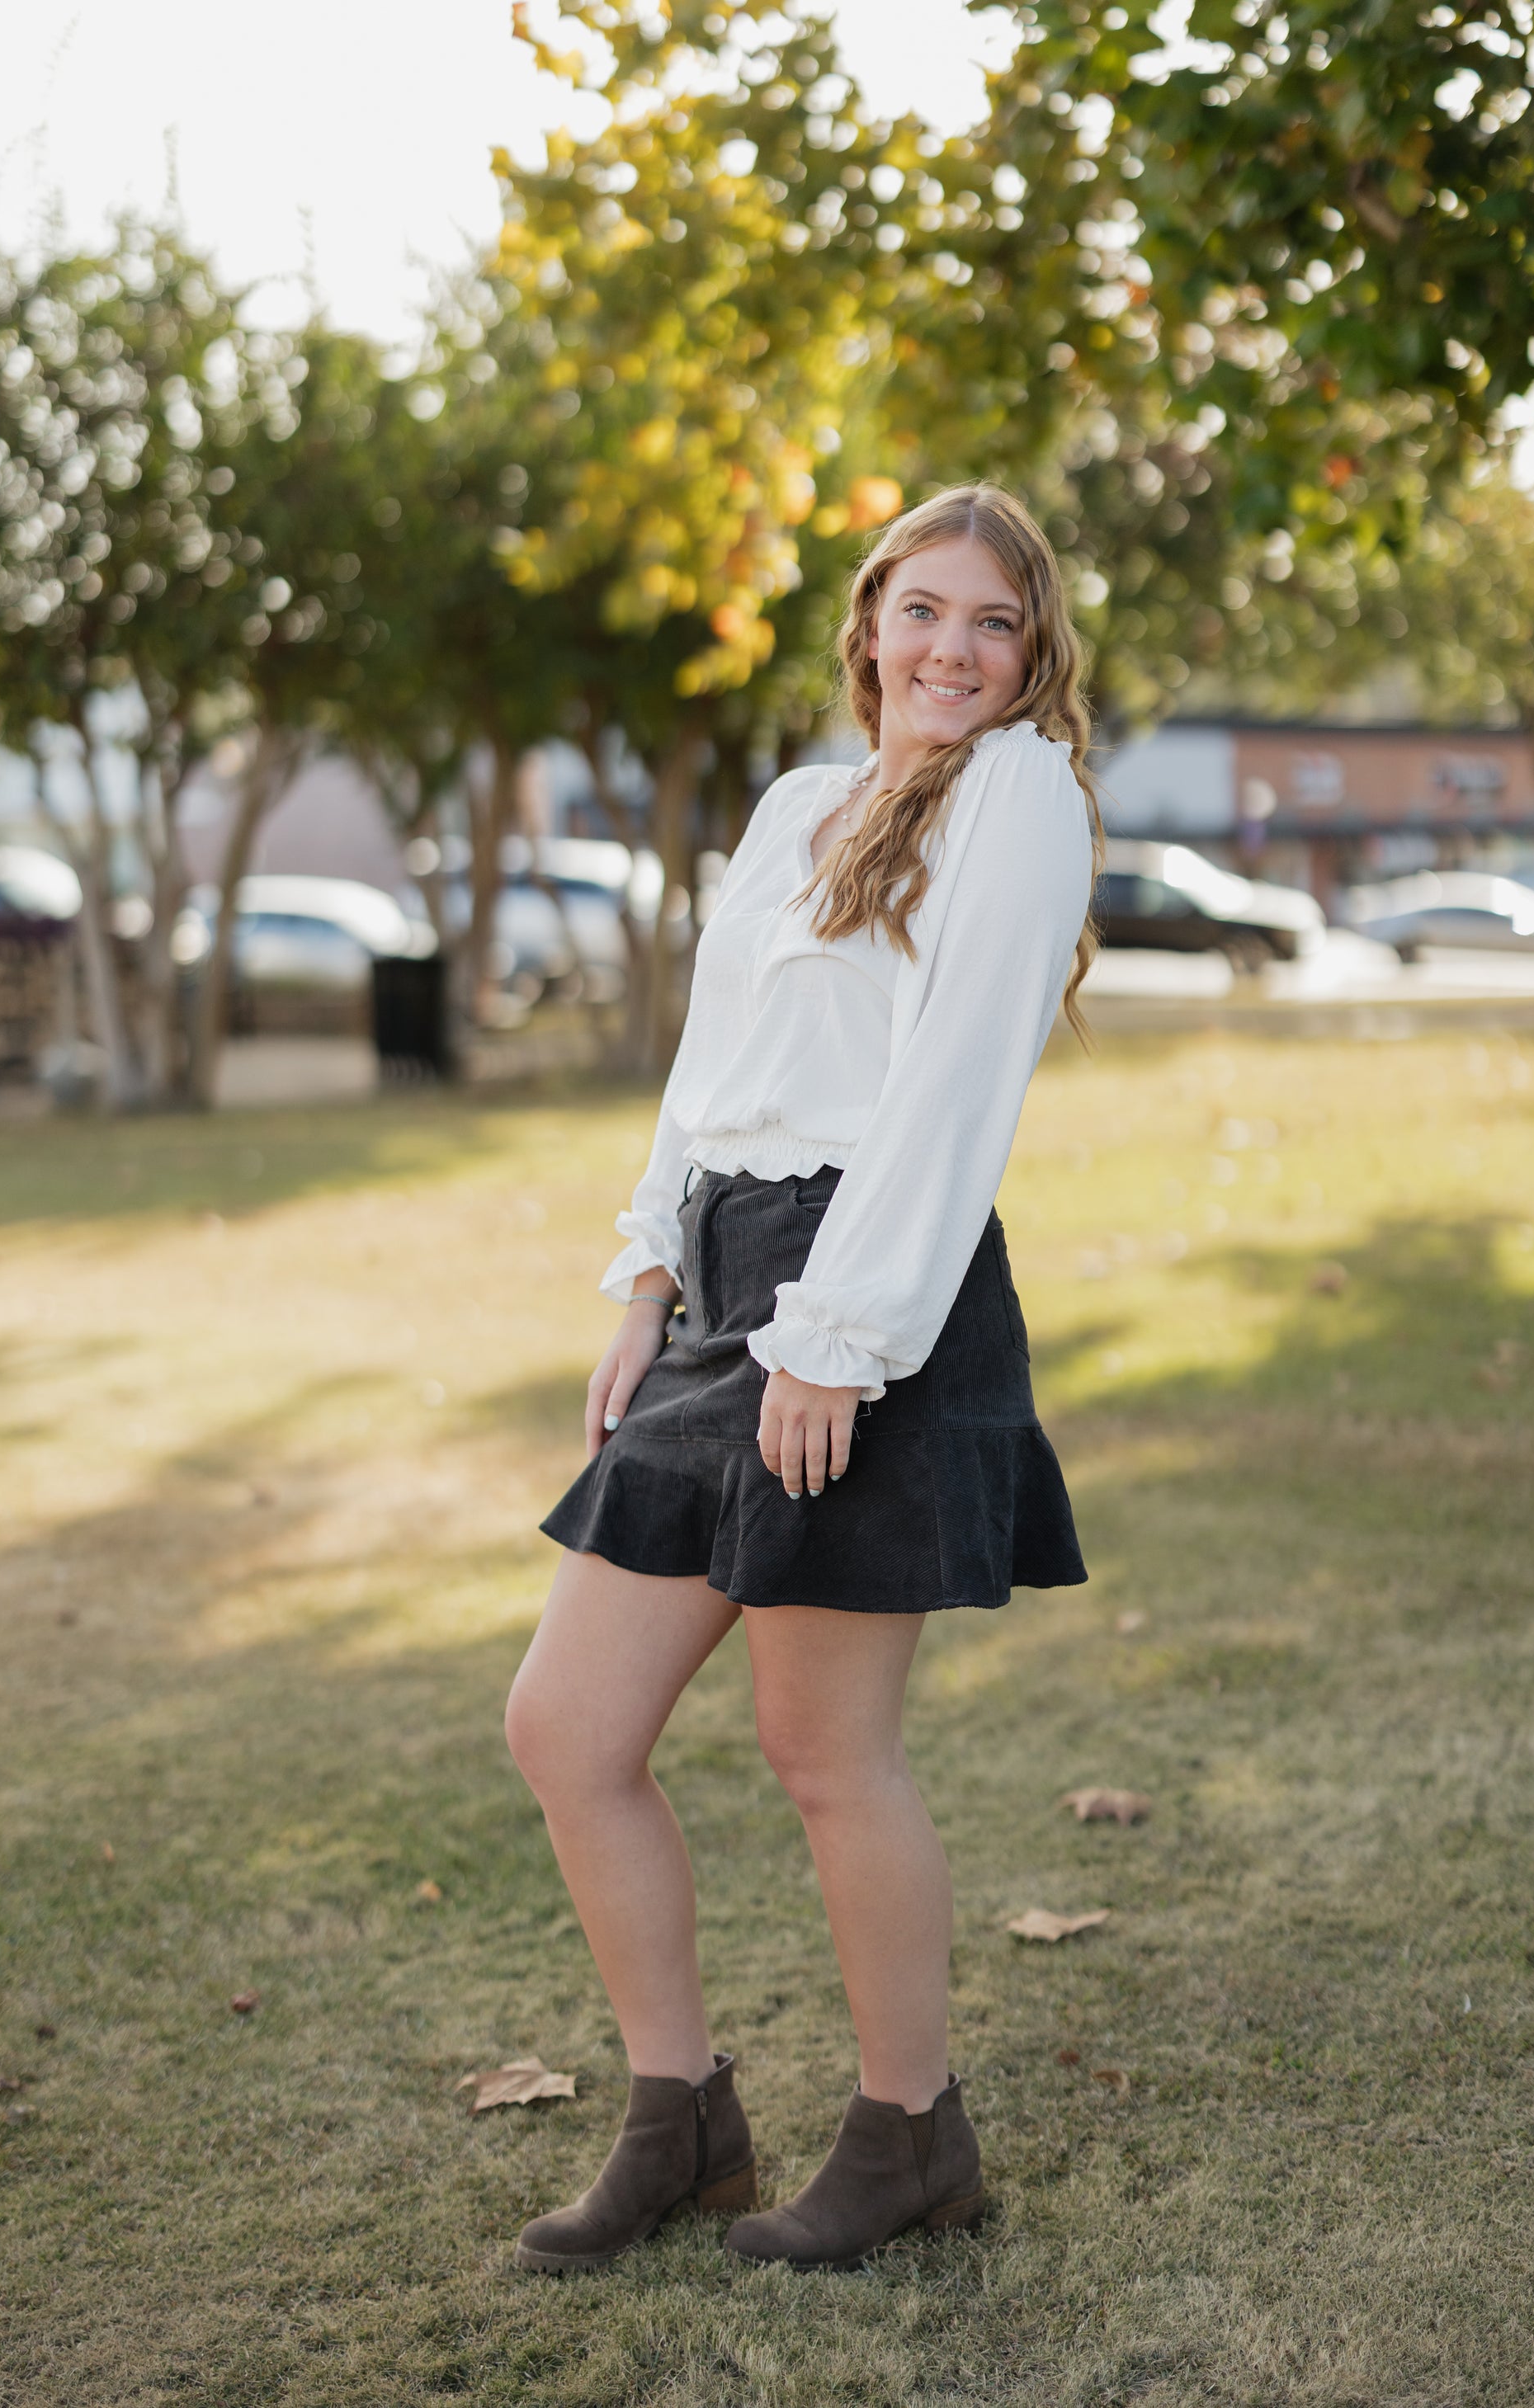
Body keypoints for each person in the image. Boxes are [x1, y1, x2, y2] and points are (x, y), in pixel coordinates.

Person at [504, 483, 1102, 2275]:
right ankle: (678, 2114)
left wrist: (838, 1337)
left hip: (873, 1287)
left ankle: (910, 2130)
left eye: (992, 624)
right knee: (567, 1725)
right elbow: (714, 1066)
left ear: (1030, 652)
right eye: (922, 610)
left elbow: (953, 1089)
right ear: (866, 624)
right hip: (724, 1283)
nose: (951, 649)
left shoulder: (1019, 796)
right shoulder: (791, 807)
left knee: (820, 1745)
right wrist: (648, 1274)